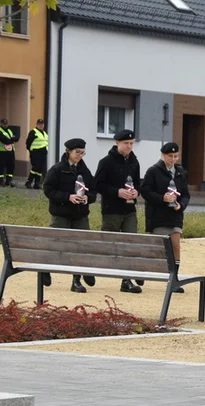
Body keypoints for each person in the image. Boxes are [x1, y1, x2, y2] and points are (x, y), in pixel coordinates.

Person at [41, 138, 97, 293]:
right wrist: (67, 197)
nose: (79, 155)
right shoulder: (58, 169)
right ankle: (45, 269)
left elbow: (93, 190)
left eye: (82, 153)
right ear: (68, 152)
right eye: (77, 152)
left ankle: (76, 280)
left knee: (81, 246)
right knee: (56, 243)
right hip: (61, 214)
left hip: (80, 214)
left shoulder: (85, 171)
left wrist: (88, 198)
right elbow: (48, 189)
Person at [95, 129, 143, 294]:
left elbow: (138, 183)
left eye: (131, 143)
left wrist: (137, 192)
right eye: (126, 144)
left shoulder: (134, 162)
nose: (129, 146)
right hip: (112, 210)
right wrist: (117, 192)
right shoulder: (106, 162)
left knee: (130, 243)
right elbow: (98, 185)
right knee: (108, 244)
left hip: (129, 209)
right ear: (117, 143)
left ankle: (126, 280)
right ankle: (89, 271)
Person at [141, 143, 191, 293]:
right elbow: (145, 191)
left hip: (175, 215)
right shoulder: (153, 171)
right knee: (157, 248)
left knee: (175, 245)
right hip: (159, 215)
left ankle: (174, 278)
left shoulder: (180, 172)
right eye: (170, 156)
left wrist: (180, 205)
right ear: (163, 155)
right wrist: (162, 198)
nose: (173, 159)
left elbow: (186, 194)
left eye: (176, 156)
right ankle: (142, 271)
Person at [24, 118, 48, 190]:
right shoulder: (33, 132)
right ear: (37, 124)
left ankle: (37, 183)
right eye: (39, 124)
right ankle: (29, 181)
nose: (41, 125)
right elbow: (28, 142)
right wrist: (31, 151)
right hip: (36, 152)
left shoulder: (45, 133)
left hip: (43, 153)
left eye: (42, 124)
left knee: (40, 169)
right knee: (35, 167)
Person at [0, 118, 16, 187]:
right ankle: (1, 180)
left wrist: (12, 139)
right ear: (1, 124)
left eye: (6, 124)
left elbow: (15, 138)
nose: (5, 125)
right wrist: (11, 140)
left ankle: (9, 180)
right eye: (3, 124)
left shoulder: (9, 130)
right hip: (2, 151)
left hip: (11, 151)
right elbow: (3, 139)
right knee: (1, 166)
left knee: (11, 166)